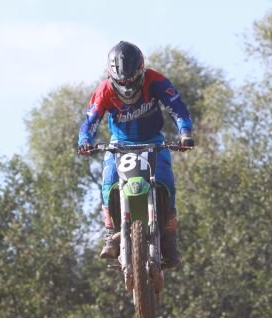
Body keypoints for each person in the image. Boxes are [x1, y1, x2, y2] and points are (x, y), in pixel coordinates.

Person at [77, 41, 194, 268]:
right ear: (112, 75)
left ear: (140, 71)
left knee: (167, 183)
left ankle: (169, 240)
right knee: (109, 181)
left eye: (131, 80)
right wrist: (85, 141)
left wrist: (185, 133)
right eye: (122, 81)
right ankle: (111, 233)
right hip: (120, 144)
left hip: (153, 141)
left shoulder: (155, 80)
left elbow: (177, 108)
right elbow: (90, 120)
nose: (127, 86)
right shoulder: (104, 90)